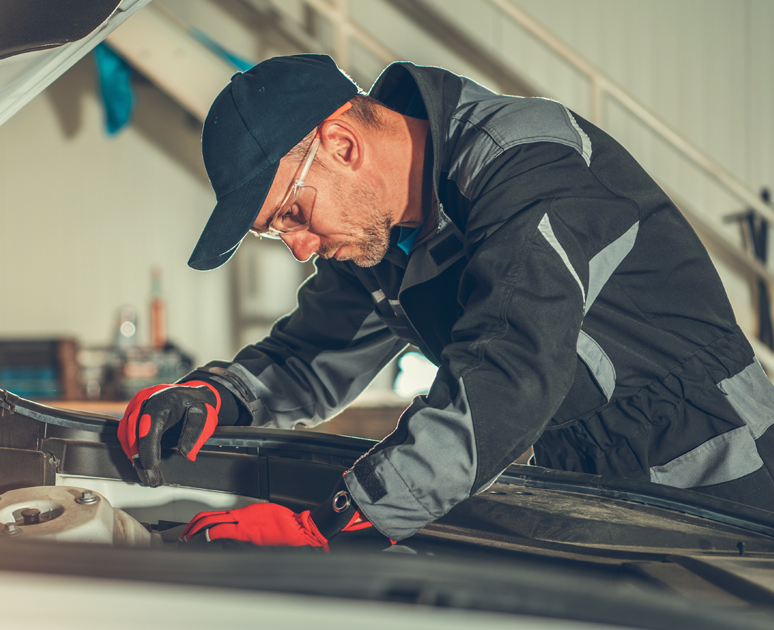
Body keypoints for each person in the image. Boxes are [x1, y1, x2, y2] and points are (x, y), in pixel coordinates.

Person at [116, 54, 774, 547]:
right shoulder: (386, 239)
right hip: (593, 484)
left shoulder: (523, 162)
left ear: (341, 146)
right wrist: (212, 396)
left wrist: (334, 525)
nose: (298, 247)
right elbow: (312, 354)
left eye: (292, 214)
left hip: (725, 467)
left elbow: (510, 366)